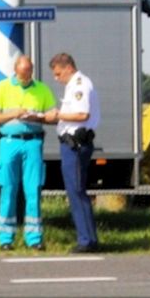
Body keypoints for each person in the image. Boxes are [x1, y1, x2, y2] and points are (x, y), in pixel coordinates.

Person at [0, 55, 56, 251]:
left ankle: (34, 237)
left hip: (32, 142)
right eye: (23, 74)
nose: (26, 77)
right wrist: (12, 114)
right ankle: (5, 237)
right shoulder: (3, 88)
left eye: (29, 73)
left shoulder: (41, 89)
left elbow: (54, 116)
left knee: (33, 190)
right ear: (15, 70)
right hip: (9, 142)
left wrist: (39, 117)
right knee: (8, 188)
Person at [45, 53, 101, 253]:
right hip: (71, 144)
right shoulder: (73, 85)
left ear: (68, 67)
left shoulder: (79, 85)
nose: (56, 78)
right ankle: (88, 238)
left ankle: (86, 241)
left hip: (75, 144)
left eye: (58, 73)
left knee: (76, 191)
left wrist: (58, 115)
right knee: (76, 191)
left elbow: (81, 114)